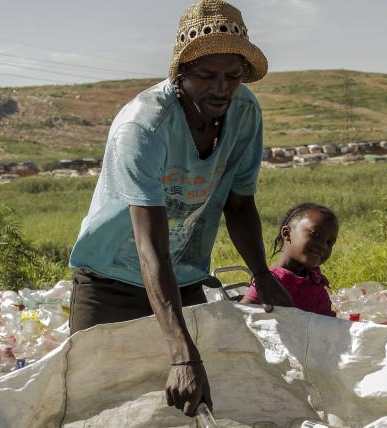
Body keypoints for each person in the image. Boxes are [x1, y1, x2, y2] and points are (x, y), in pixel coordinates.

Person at [67, 0, 293, 417]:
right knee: (100, 405)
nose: (221, 88)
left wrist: (261, 272)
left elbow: (240, 205)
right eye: (207, 75)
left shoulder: (244, 114)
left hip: (184, 278)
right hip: (111, 281)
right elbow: (149, 246)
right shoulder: (143, 127)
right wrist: (181, 352)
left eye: (232, 75)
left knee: (192, 403)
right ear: (182, 72)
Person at [240, 203, 339, 317]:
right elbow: (242, 316)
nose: (323, 246)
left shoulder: (312, 274)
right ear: (287, 234)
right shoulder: (271, 281)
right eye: (316, 234)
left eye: (329, 242)